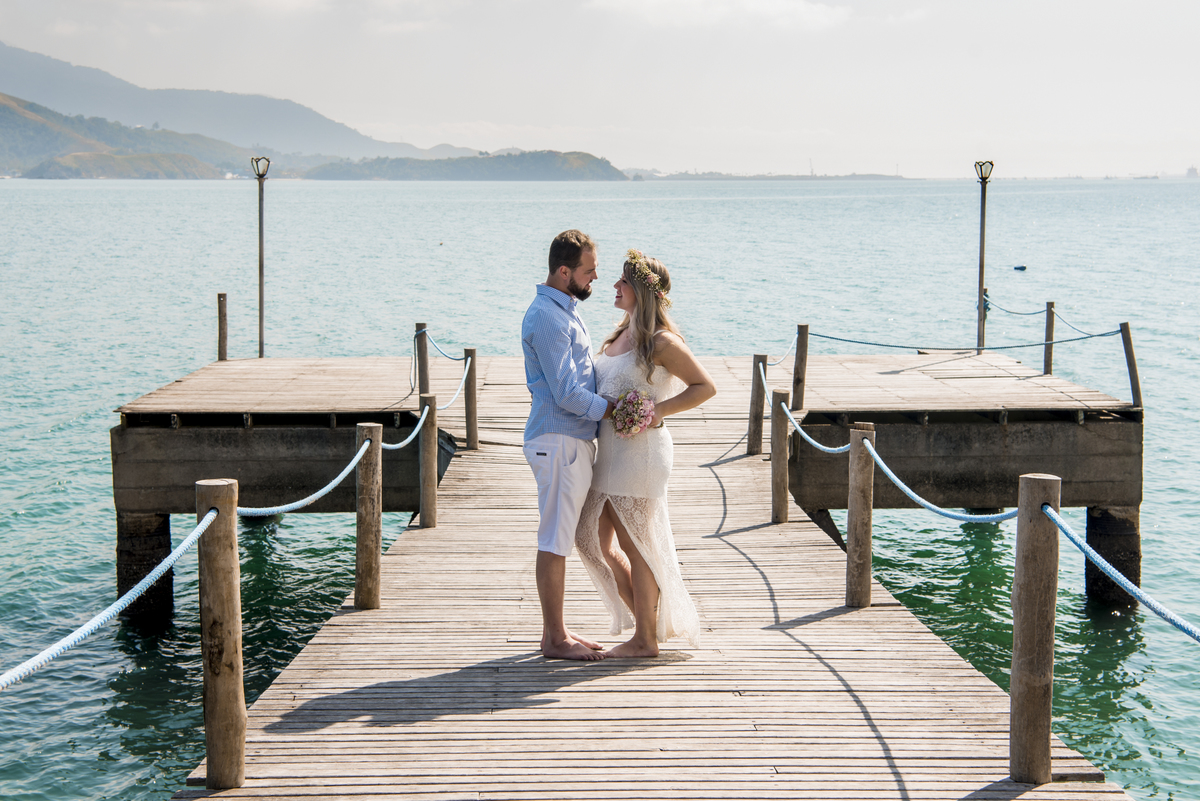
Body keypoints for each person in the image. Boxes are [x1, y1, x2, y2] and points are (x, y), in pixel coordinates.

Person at [574, 249, 716, 657]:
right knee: (591, 539)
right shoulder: (620, 334)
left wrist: (655, 413)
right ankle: (646, 618)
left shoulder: (661, 341)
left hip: (642, 454)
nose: (614, 286)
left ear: (640, 290)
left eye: (622, 281)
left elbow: (704, 387)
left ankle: (645, 640)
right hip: (610, 451)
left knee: (637, 544)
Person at [521, 229, 615, 661]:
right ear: (564, 271)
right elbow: (565, 393)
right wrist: (613, 410)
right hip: (559, 440)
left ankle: (556, 629)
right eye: (589, 270)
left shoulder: (565, 309)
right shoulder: (548, 316)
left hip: (569, 439)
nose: (595, 277)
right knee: (555, 539)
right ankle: (554, 639)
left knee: (558, 536)